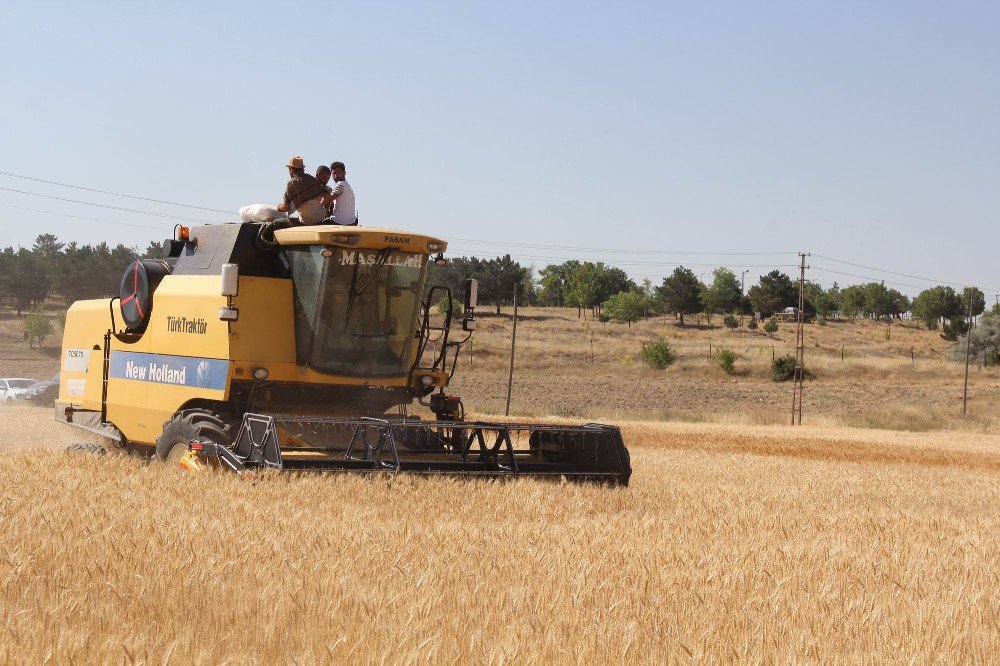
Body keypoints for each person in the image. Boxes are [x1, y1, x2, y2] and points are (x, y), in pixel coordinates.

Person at [276, 156, 327, 225]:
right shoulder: (312, 179)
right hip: (321, 217)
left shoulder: (291, 184)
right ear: (302, 168)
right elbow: (327, 195)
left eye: (289, 170)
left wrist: (279, 207)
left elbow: (286, 207)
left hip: (306, 221)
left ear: (291, 169)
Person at [321, 161, 357, 225]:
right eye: (334, 173)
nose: (336, 175)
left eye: (338, 172)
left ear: (344, 173)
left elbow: (329, 200)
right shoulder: (346, 185)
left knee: (320, 223)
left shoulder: (341, 184)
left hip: (339, 221)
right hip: (351, 221)